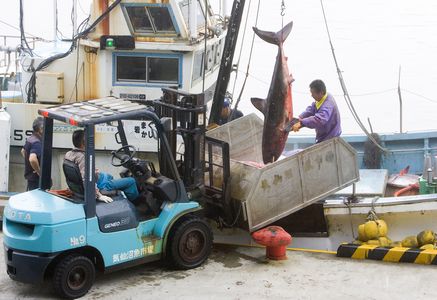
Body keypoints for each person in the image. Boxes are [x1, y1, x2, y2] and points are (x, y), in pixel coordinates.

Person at [64, 129, 139, 203]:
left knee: (108, 176)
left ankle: (118, 192)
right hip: (99, 185)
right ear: (84, 143)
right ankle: (135, 204)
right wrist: (98, 195)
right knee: (131, 181)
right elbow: (87, 179)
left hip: (96, 179)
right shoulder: (83, 158)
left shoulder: (69, 154)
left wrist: (93, 171)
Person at [21, 117, 44, 191]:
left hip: (30, 178)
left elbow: (23, 151)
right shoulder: (37, 142)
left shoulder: (30, 138)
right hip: (36, 180)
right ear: (41, 129)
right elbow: (32, 159)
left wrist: (31, 166)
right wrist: (39, 172)